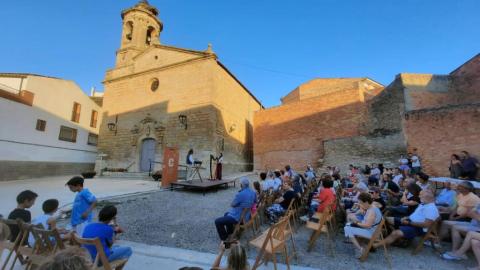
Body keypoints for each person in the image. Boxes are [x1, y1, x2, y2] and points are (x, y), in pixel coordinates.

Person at [374, 190, 439, 248]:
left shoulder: (432, 209)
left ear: (428, 197)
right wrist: (407, 217)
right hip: (410, 221)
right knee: (385, 219)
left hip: (418, 228)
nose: (419, 197)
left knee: (396, 233)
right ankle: (392, 239)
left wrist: (408, 223)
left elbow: (425, 225)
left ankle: (375, 246)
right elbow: (415, 215)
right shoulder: (423, 204)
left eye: (421, 195)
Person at [214, 178, 256, 244]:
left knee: (217, 221)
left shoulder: (241, 194)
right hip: (246, 216)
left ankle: (225, 238)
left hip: (238, 217)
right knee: (226, 214)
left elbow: (232, 204)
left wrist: (240, 203)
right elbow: (255, 202)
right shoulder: (253, 192)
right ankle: (230, 233)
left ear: (242, 185)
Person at [344, 192, 383, 258]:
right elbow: (367, 222)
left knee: (347, 228)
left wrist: (356, 223)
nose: (360, 204)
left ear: (366, 202)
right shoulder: (372, 207)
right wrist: (357, 221)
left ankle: (359, 249)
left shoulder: (372, 211)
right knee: (348, 224)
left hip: (371, 232)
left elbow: (367, 225)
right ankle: (358, 246)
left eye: (361, 203)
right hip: (371, 229)